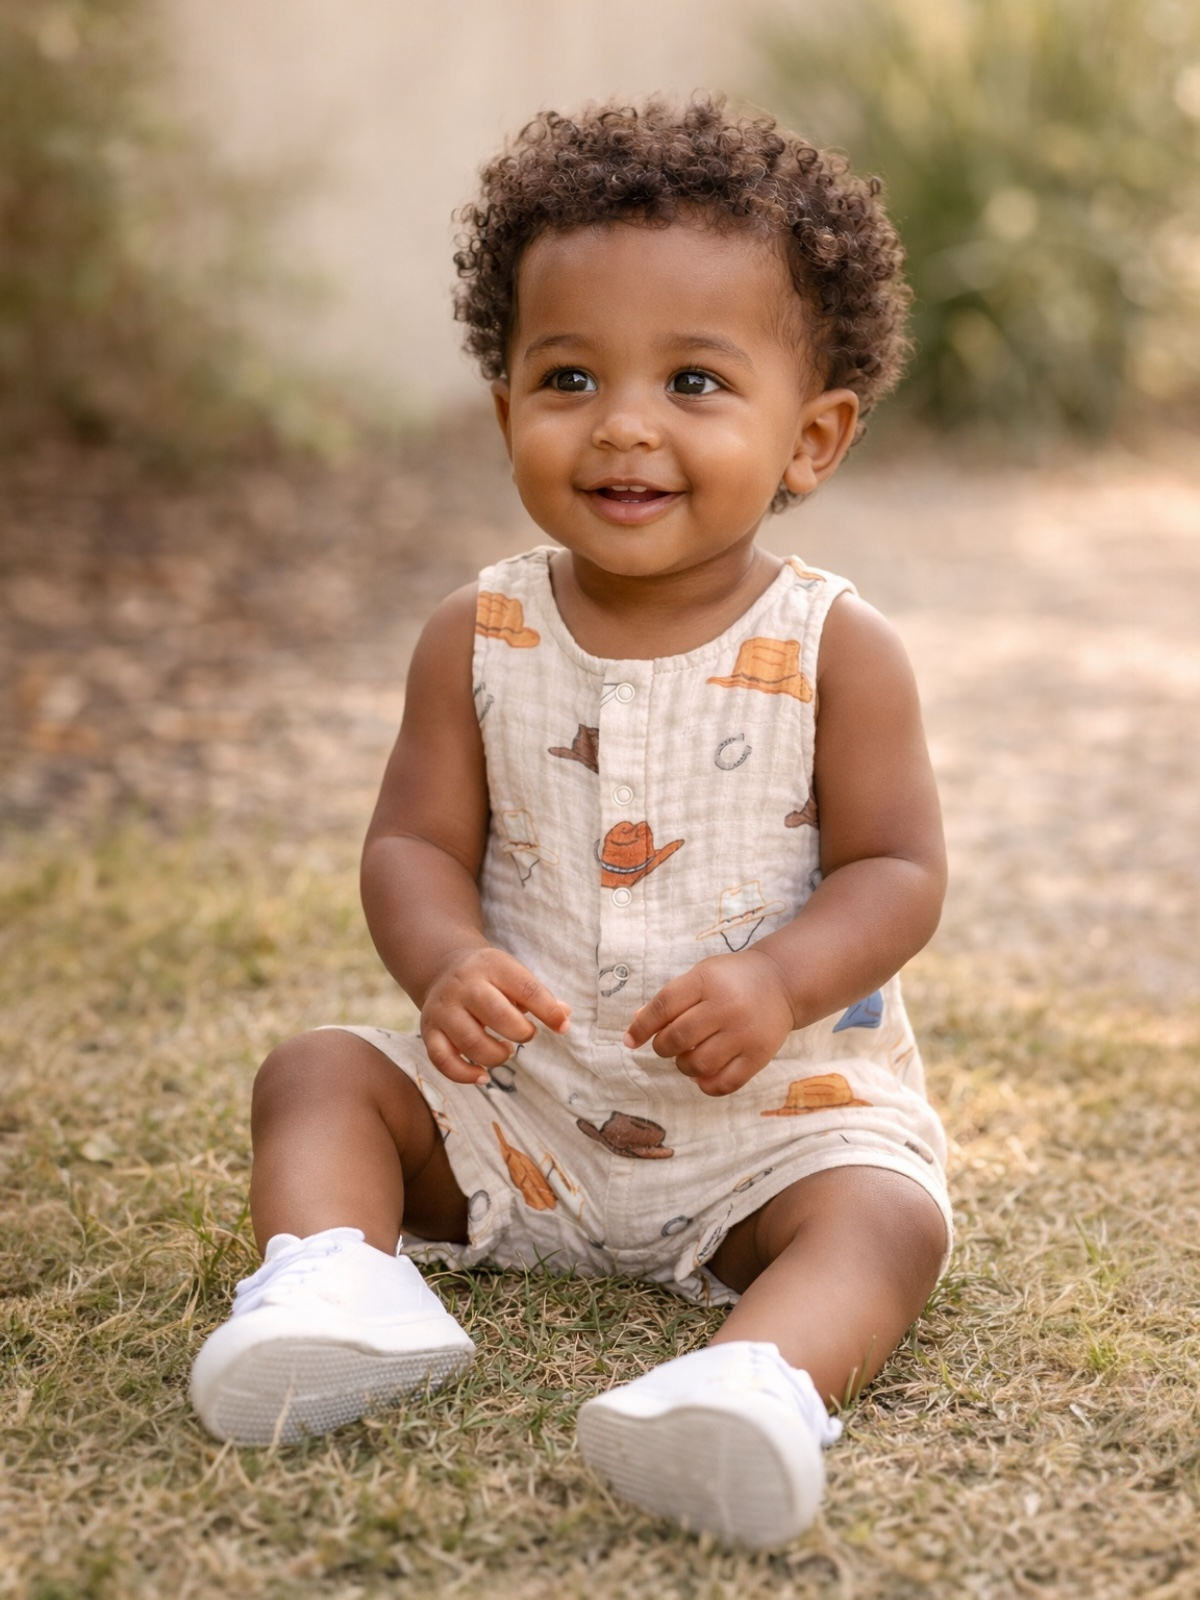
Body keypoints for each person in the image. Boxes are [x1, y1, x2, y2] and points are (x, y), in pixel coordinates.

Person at [190, 95, 951, 1548]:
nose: (625, 425)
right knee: (316, 1076)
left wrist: (783, 979)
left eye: (696, 383)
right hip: (519, 1117)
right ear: (504, 409)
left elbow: (899, 870)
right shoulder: (474, 637)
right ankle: (337, 1285)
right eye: (570, 376)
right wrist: (443, 968)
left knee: (889, 1213)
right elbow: (410, 845)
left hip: (764, 1132)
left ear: (817, 435)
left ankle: (753, 1384)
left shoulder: (837, 649)